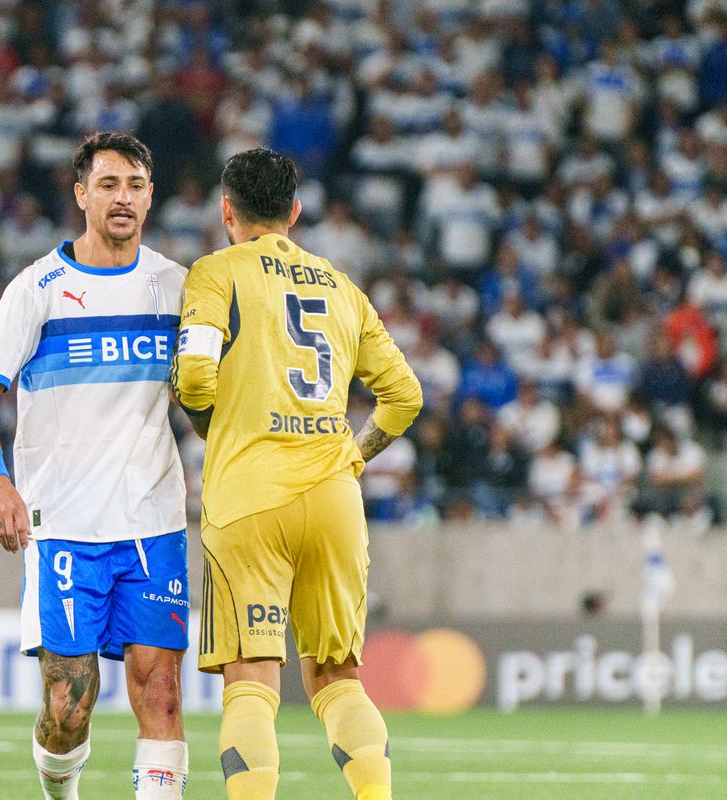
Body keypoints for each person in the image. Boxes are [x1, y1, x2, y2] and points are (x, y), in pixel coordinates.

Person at [172, 148, 422, 800]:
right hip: (333, 496)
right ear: (296, 212)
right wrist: (354, 457)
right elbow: (405, 399)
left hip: (249, 494)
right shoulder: (342, 287)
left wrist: (214, 427)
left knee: (251, 680)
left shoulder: (215, 273)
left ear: (227, 211)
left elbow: (196, 376)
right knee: (337, 677)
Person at [0, 133, 190, 800]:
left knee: (162, 692)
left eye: (136, 185)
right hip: (62, 524)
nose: (124, 198)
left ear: (150, 197)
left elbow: (198, 396)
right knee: (68, 706)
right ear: (81, 194)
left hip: (152, 519)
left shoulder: (177, 287)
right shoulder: (39, 288)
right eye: (110, 184)